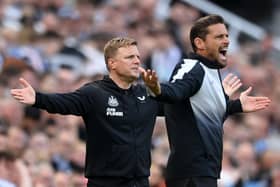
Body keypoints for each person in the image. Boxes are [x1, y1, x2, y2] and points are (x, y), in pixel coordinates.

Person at [10, 37, 162, 187]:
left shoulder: (147, 94)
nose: (137, 61)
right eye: (130, 57)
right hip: (105, 183)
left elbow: (175, 106)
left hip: (140, 182)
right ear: (112, 63)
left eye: (138, 57)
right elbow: (65, 102)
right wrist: (37, 98)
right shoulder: (95, 93)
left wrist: (159, 91)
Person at [141, 14, 271, 187]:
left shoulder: (211, 72)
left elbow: (200, 113)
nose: (226, 41)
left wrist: (234, 106)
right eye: (219, 36)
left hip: (204, 172)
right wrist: (156, 88)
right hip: (190, 174)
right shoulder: (192, 67)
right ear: (199, 43)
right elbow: (174, 93)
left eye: (226, 36)